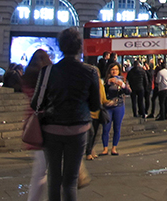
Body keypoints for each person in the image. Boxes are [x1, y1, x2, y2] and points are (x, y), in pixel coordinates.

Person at [34, 27, 100, 201]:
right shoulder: (90, 71)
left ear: (60, 46)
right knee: (70, 181)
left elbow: (36, 103)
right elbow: (95, 105)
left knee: (54, 178)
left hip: (52, 129)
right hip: (78, 129)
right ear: (79, 47)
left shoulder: (47, 72)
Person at [23, 49, 53, 201]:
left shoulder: (28, 76)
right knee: (46, 171)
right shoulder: (47, 77)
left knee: (40, 170)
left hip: (34, 125)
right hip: (47, 125)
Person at [100, 63, 129, 156]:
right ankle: (105, 148)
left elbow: (128, 91)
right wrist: (108, 83)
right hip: (108, 106)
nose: (114, 71)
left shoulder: (122, 79)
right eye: (112, 69)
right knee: (106, 128)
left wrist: (123, 85)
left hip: (119, 106)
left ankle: (114, 148)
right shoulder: (105, 81)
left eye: (116, 69)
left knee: (117, 127)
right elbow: (102, 91)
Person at [84, 65, 108, 161]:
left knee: (95, 133)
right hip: (90, 112)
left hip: (98, 112)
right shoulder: (88, 83)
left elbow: (103, 97)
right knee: (91, 133)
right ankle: (88, 152)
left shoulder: (100, 83)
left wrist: (108, 102)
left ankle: (90, 150)